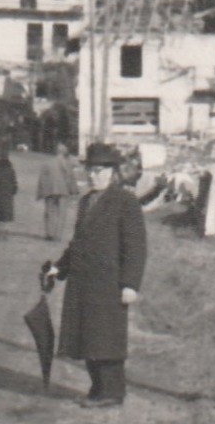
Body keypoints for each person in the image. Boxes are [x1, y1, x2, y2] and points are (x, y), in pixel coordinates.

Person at [44, 142, 147, 408]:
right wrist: (60, 267)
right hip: (83, 281)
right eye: (90, 170)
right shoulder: (86, 201)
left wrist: (130, 284)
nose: (93, 175)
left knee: (107, 339)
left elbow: (135, 247)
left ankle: (112, 392)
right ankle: (98, 388)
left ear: (113, 172)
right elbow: (78, 242)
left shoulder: (125, 201)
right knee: (88, 336)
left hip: (109, 282)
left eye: (100, 170)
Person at [35, 142, 80, 242]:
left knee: (49, 211)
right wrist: (74, 191)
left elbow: (42, 178)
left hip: (50, 191)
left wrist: (41, 192)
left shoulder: (47, 162)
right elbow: (70, 178)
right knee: (62, 213)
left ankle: (49, 233)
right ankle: (58, 235)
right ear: (64, 152)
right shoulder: (67, 163)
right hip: (63, 191)